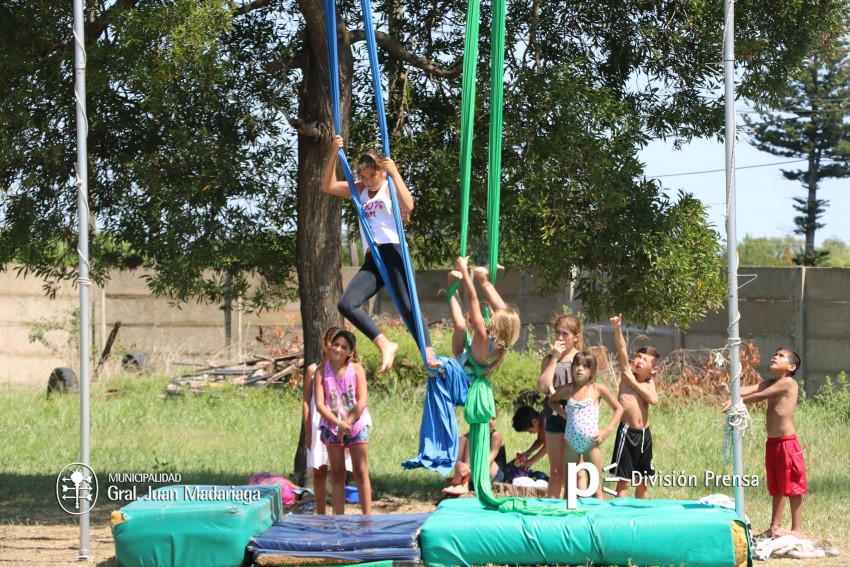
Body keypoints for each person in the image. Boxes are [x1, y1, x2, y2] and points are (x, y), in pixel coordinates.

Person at [322, 135, 439, 373]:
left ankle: (429, 356)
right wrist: (334, 151)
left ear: (381, 172)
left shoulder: (389, 186)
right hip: (373, 256)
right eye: (363, 176)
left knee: (409, 308)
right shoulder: (360, 190)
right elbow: (328, 186)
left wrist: (394, 173)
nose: (368, 181)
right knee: (347, 303)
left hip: (394, 251)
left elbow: (408, 205)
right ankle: (384, 343)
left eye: (372, 175)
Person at [721, 348, 806, 538]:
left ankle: (797, 530)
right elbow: (747, 390)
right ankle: (775, 526)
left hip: (787, 443)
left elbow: (761, 395)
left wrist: (737, 402)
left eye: (781, 356)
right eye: (775, 354)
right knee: (776, 486)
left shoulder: (788, 384)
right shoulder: (770, 382)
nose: (775, 356)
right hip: (773, 444)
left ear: (791, 367)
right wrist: (730, 391)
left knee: (792, 486)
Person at [548, 351, 623, 501]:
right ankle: (566, 521)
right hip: (570, 443)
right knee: (569, 489)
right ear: (572, 368)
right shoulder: (566, 389)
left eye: (585, 366)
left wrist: (607, 430)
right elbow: (551, 401)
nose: (580, 368)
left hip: (591, 444)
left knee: (596, 489)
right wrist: (564, 414)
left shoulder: (597, 389)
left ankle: (599, 522)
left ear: (592, 371)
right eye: (577, 364)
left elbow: (619, 408)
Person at [313, 329, 372, 514]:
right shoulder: (321, 372)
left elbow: (362, 400)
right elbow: (320, 404)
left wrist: (348, 422)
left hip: (356, 424)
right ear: (330, 346)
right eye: (336, 344)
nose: (338, 349)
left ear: (351, 351)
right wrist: (338, 424)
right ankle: (338, 519)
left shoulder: (357, 369)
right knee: (337, 473)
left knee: (360, 470)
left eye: (344, 347)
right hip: (332, 426)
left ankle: (367, 518)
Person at [608, 313, 660, 498]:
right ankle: (619, 519)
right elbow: (622, 349)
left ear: (653, 369)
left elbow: (653, 400)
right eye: (638, 357)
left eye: (645, 360)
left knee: (642, 481)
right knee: (623, 481)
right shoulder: (626, 374)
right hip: (627, 433)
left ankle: (642, 517)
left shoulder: (648, 383)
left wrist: (634, 384)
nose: (639, 361)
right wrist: (617, 329)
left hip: (645, 435)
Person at [302, 326, 352, 514]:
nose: (336, 348)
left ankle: (338, 515)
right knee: (319, 470)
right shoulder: (313, 370)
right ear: (325, 344)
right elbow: (307, 401)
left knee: (338, 471)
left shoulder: (347, 371)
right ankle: (321, 515)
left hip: (340, 424)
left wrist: (347, 427)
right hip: (318, 423)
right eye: (332, 342)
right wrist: (308, 429)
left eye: (341, 345)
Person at [446, 256, 521, 380]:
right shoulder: (505, 340)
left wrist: (464, 270)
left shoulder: (482, 333)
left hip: (463, 356)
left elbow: (472, 298)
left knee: (460, 325)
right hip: (478, 355)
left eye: (494, 318)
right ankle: (482, 278)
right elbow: (505, 319)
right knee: (508, 315)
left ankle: (451, 284)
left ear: (496, 325)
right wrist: (493, 314)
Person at [536, 314, 583, 498]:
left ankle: (574, 511)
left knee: (576, 471)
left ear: (576, 337)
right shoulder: (549, 360)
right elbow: (542, 387)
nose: (560, 338)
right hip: (554, 417)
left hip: (575, 419)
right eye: (557, 333)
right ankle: (552, 516)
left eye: (565, 334)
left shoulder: (581, 360)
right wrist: (555, 359)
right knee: (556, 472)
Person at [442, 416, 506, 496]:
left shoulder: (496, 436)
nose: (491, 422)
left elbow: (486, 463)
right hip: (475, 475)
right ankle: (460, 484)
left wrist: (463, 472)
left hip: (494, 475)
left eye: (493, 418)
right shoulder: (471, 435)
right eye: (487, 419)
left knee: (472, 442)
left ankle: (464, 484)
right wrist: (459, 465)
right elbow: (449, 457)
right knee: (462, 440)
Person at [511, 405, 547, 471]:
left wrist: (532, 461)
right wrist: (528, 452)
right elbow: (540, 440)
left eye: (529, 430)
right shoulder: (540, 420)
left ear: (534, 421)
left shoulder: (545, 421)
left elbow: (549, 446)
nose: (530, 433)